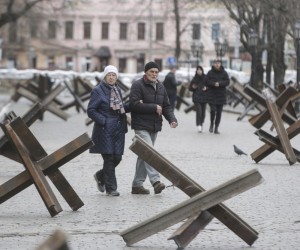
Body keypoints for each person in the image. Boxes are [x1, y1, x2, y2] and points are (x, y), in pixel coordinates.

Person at [129, 61, 178, 195]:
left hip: (154, 126)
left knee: (144, 155)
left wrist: (172, 119)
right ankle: (156, 181)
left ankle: (137, 185)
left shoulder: (161, 87)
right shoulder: (137, 85)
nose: (154, 74)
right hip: (140, 125)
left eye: (156, 72)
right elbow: (133, 104)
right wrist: (153, 107)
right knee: (150, 153)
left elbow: (166, 106)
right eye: (152, 72)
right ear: (146, 72)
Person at [87, 65, 130, 196]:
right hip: (104, 130)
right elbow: (91, 110)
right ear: (105, 76)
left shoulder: (117, 90)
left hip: (118, 129)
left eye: (114, 75)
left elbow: (120, 108)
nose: (111, 77)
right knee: (109, 158)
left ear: (116, 77)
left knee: (117, 158)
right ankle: (111, 189)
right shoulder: (98, 90)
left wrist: (134, 105)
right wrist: (103, 121)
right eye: (109, 75)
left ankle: (100, 175)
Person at [205, 59, 230, 134]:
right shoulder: (210, 73)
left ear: (220, 64)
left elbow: (227, 82)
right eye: (216, 63)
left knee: (219, 113)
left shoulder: (224, 73)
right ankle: (211, 124)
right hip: (212, 95)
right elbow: (206, 81)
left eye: (218, 63)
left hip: (221, 95)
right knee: (213, 110)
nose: (217, 64)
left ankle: (216, 127)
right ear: (214, 64)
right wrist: (213, 84)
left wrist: (219, 83)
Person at [188, 65, 207, 133]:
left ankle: (201, 123)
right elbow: (190, 88)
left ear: (202, 70)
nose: (199, 71)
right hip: (197, 97)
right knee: (199, 112)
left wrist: (206, 88)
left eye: (200, 70)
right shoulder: (194, 78)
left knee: (203, 114)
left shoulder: (205, 78)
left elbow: (209, 86)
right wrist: (193, 87)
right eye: (198, 70)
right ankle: (199, 125)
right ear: (196, 71)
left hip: (204, 98)